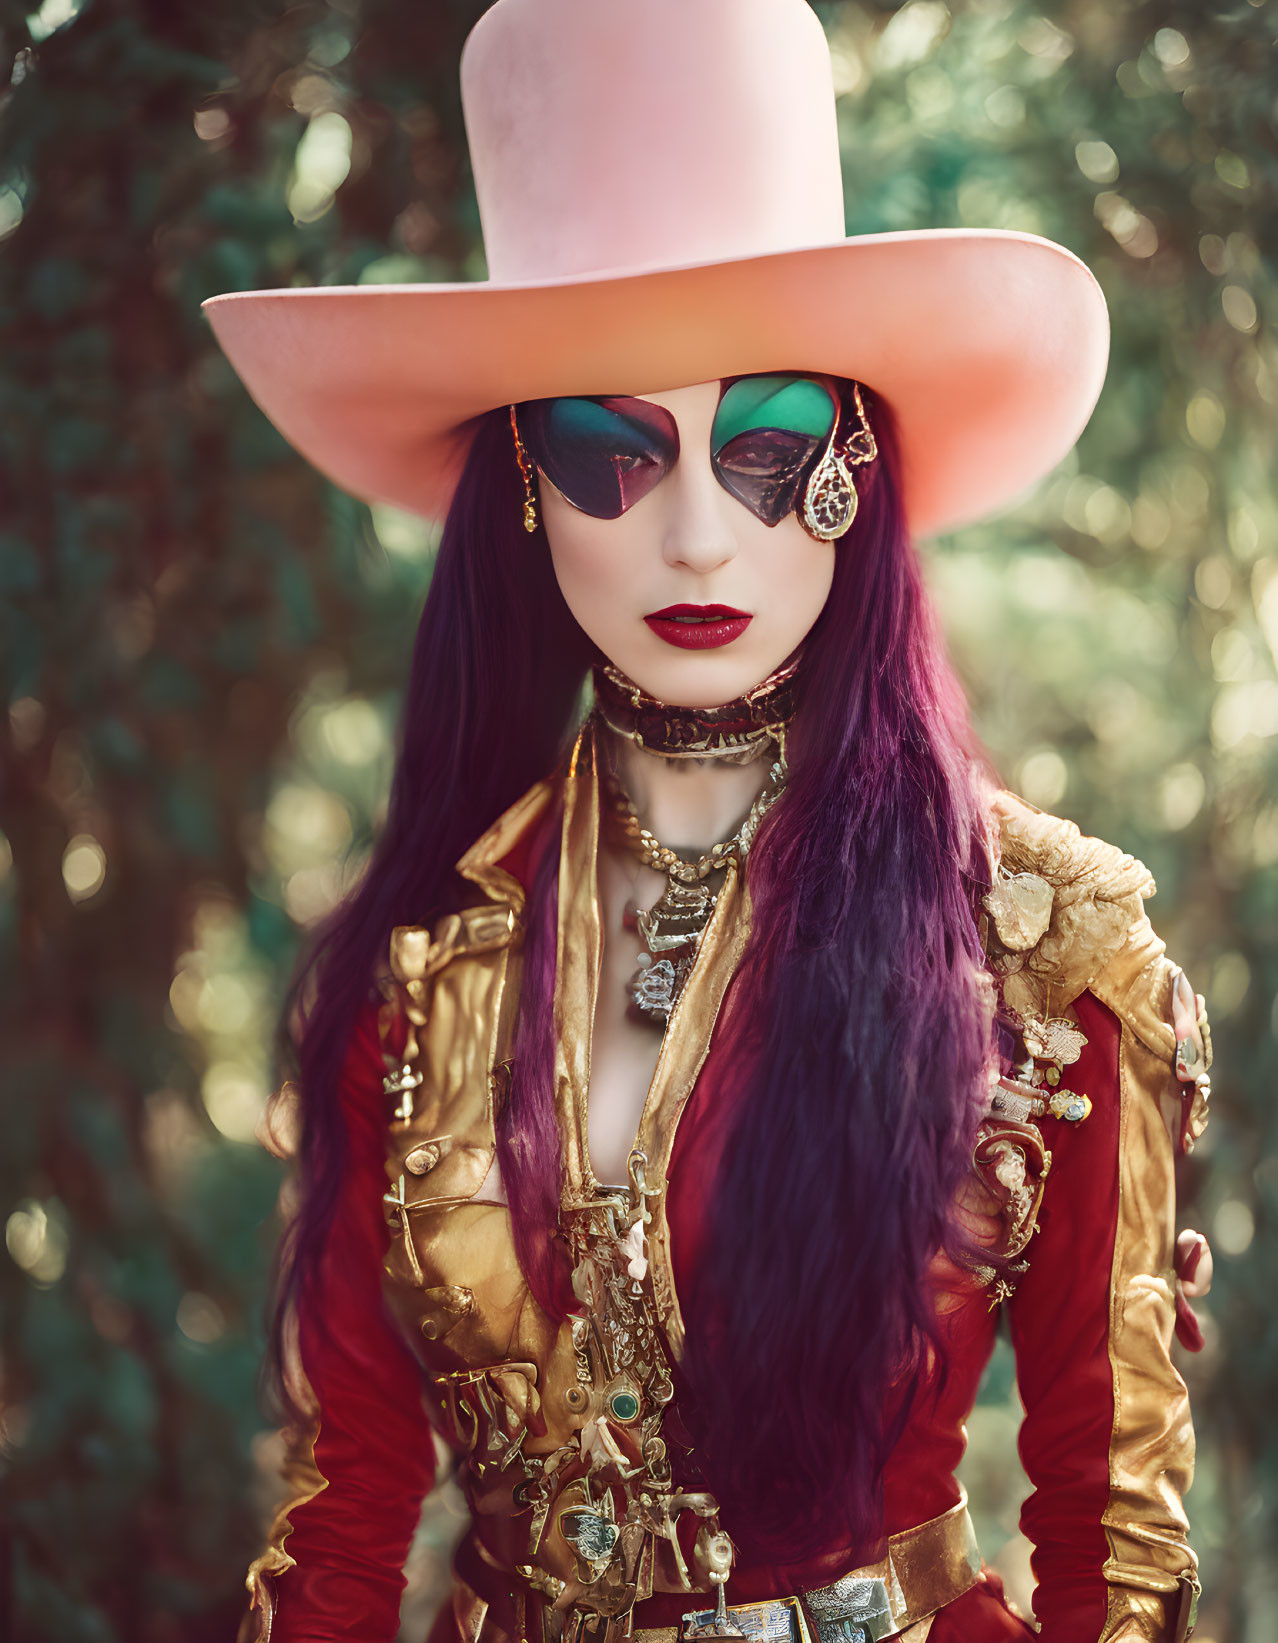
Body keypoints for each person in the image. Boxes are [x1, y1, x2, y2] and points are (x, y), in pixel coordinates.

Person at [205, 2, 1214, 1640]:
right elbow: (344, 1506)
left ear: (854, 470)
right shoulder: (420, 970)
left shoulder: (1043, 951)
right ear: (520, 485)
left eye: (763, 450)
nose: (691, 538)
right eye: (611, 454)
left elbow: (1117, 1527)